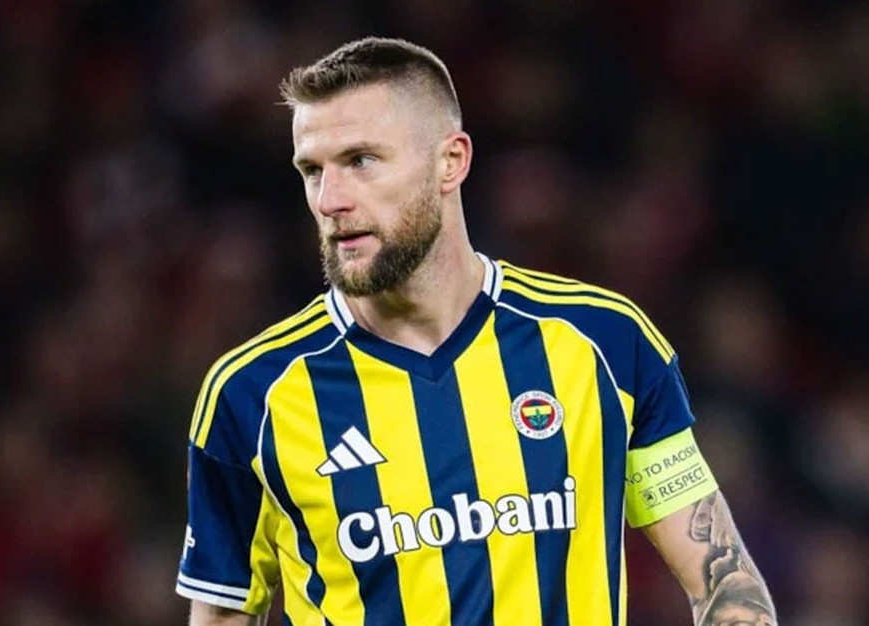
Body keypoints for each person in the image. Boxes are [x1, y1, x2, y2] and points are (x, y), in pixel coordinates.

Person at [176, 37, 777, 626]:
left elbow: (724, 583)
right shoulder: (252, 395)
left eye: (360, 161)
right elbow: (223, 614)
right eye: (312, 170)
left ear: (451, 161)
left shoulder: (605, 344)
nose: (330, 199)